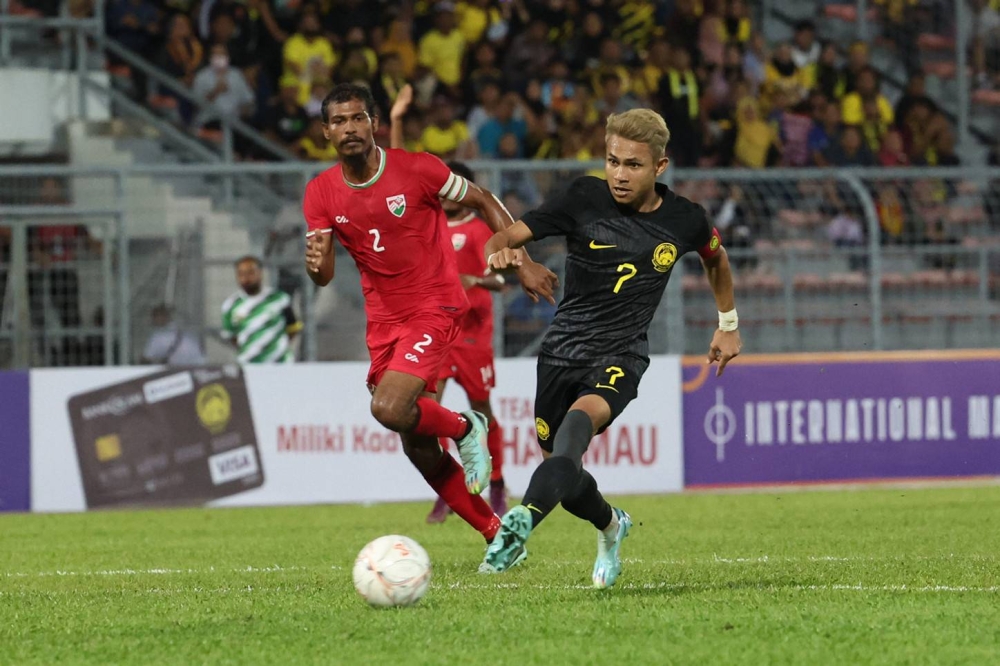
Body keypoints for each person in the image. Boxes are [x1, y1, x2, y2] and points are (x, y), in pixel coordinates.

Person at [479, 108, 742, 587]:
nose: (619, 174)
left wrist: (728, 323)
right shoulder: (584, 197)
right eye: (612, 161)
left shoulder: (685, 219)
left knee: (577, 428)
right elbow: (505, 235)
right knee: (564, 471)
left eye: (633, 165)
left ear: (659, 168)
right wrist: (513, 259)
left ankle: (522, 521)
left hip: (621, 354)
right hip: (560, 353)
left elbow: (715, 258)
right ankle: (610, 524)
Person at [303, 83, 557, 546]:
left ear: (375, 124)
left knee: (389, 407)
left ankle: (466, 426)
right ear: (325, 132)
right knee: (415, 443)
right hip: (383, 322)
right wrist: (317, 267)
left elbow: (481, 198)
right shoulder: (320, 193)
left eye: (358, 118)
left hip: (434, 305)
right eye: (339, 121)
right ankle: (498, 535)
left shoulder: (418, 169)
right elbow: (323, 276)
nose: (350, 128)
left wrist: (522, 261)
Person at [389, 87, 510, 522]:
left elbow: (502, 279)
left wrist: (474, 278)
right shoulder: (428, 220)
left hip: (474, 333)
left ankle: (497, 486)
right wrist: (397, 119)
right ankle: (448, 486)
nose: (440, 195)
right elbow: (400, 168)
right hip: (435, 333)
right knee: (428, 409)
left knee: (482, 410)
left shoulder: (479, 229)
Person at [221, 255, 301, 363]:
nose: (246, 278)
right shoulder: (230, 305)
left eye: (250, 273)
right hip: (249, 365)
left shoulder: (279, 299)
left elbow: (293, 328)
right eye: (241, 274)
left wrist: (276, 346)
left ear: (260, 273)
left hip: (280, 364)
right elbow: (231, 336)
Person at [142, 304, 206, 365]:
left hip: (177, 372)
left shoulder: (158, 336)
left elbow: (146, 359)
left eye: (155, 317)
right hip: (199, 368)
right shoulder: (183, 329)